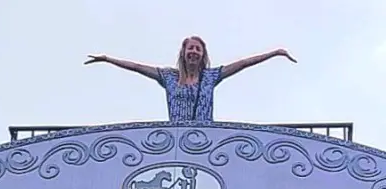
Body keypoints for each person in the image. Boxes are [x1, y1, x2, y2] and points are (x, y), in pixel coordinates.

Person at [85, 37, 296, 124]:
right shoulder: (168, 76)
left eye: (198, 49)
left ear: (202, 54)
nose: (194, 52)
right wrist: (108, 59)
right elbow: (137, 67)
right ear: (183, 53)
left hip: (204, 134)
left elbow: (243, 63)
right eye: (190, 48)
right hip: (175, 135)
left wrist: (275, 53)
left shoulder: (210, 77)